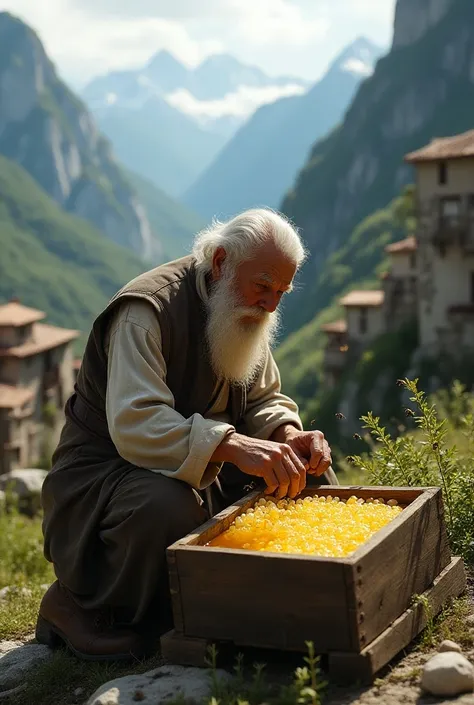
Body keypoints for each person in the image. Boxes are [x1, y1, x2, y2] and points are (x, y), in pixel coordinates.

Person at [36, 208, 336, 662]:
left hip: (203, 467)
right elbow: (136, 425)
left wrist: (287, 432)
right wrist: (233, 445)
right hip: (106, 477)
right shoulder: (145, 311)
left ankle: (299, 604)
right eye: (263, 287)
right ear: (220, 262)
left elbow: (262, 397)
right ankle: (80, 604)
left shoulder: (243, 308)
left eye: (281, 292)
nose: (271, 304)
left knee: (305, 478)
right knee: (168, 506)